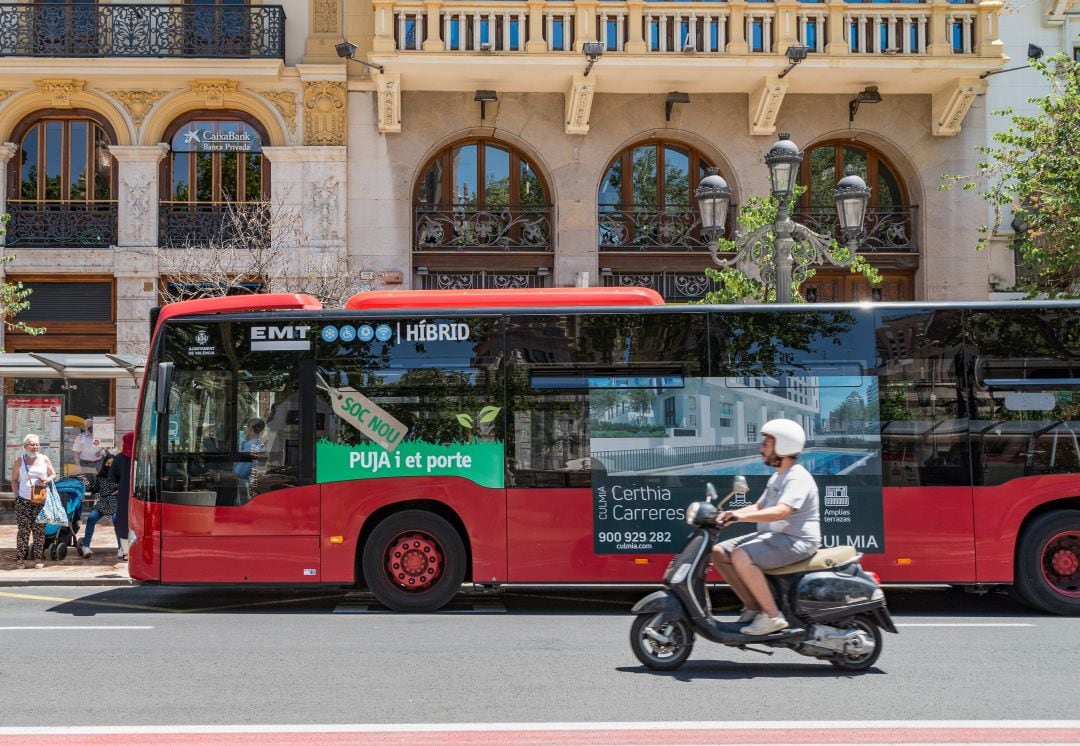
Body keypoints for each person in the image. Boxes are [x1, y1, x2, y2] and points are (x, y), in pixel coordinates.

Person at [710, 419, 821, 635]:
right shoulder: (778, 477)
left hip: (796, 540)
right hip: (776, 536)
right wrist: (729, 514)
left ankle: (772, 616)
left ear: (783, 447)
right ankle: (753, 606)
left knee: (741, 555)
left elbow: (782, 511)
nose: (761, 449)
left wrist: (739, 519)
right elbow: (759, 506)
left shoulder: (797, 477)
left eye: (766, 444)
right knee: (718, 551)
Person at [9, 433, 56, 570]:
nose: (35, 447)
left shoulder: (44, 459)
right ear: (25, 446)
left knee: (39, 530)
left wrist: (48, 479)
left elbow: (53, 474)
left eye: (37, 444)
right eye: (32, 444)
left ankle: (38, 558)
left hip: (40, 500)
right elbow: (14, 479)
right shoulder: (19, 460)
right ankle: (20, 559)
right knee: (23, 530)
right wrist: (16, 496)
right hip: (23, 500)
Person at [77, 454, 118, 559]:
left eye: (112, 464)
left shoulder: (120, 476)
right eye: (108, 463)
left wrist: (120, 490)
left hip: (115, 502)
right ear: (104, 464)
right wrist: (86, 486)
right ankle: (86, 546)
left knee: (116, 520)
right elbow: (95, 488)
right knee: (91, 518)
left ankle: (122, 548)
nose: (110, 466)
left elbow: (127, 487)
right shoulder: (100, 477)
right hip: (103, 502)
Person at [108, 432, 134, 561]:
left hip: (124, 491)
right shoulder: (143, 456)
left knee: (123, 520)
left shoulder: (118, 458)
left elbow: (112, 477)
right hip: (141, 491)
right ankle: (136, 549)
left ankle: (125, 551)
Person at [234, 418, 266, 503]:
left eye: (246, 426)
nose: (245, 429)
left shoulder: (250, 449)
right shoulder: (261, 445)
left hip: (247, 492)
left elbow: (239, 474)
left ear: (251, 428)